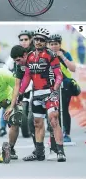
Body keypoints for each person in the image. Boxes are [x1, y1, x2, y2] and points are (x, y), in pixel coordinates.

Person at [15, 28, 66, 162]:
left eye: (42, 40)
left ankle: (60, 152)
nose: (38, 42)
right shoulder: (30, 56)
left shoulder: (51, 55)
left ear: (46, 41)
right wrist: (20, 92)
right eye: (37, 39)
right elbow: (27, 77)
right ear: (34, 40)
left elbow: (59, 75)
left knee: (54, 120)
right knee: (37, 124)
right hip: (36, 94)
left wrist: (55, 90)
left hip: (49, 93)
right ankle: (39, 153)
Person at [47, 34, 78, 143]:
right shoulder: (46, 55)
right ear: (48, 45)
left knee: (63, 109)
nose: (54, 46)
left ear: (60, 44)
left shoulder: (66, 54)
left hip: (65, 86)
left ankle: (66, 133)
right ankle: (54, 134)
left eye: (56, 44)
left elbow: (73, 69)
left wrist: (62, 57)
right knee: (52, 110)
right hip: (51, 86)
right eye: (51, 44)